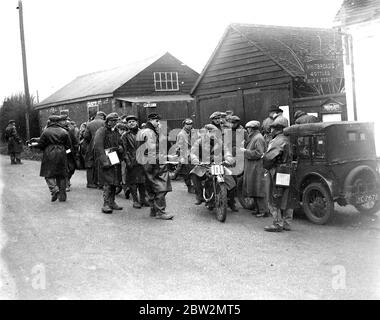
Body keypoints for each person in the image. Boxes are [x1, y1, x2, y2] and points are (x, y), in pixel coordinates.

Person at [190, 124, 237, 211]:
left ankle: (231, 201)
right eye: (212, 132)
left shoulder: (220, 142)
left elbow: (226, 152)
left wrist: (228, 159)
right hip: (204, 165)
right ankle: (199, 196)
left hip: (219, 164)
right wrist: (195, 160)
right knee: (194, 174)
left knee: (233, 179)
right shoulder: (199, 142)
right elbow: (193, 153)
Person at [137, 113, 173, 220]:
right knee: (161, 187)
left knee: (152, 187)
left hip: (147, 163)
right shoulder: (149, 132)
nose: (159, 124)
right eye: (157, 121)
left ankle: (153, 210)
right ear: (152, 120)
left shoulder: (144, 131)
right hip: (154, 162)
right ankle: (160, 212)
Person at [262, 116, 294, 232]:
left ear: (278, 129)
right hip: (289, 170)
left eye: (273, 128)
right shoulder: (289, 139)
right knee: (287, 196)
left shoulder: (277, 141)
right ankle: (287, 223)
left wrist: (265, 163)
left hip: (279, 170)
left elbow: (269, 157)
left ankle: (277, 223)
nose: (271, 131)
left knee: (275, 195)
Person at [32, 115, 71, 202]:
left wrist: (37, 147)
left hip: (49, 153)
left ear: (50, 121)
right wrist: (64, 151)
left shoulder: (46, 132)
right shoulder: (64, 131)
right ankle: (62, 197)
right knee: (62, 175)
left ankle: (54, 189)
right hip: (61, 153)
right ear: (58, 121)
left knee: (48, 174)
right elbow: (68, 145)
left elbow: (41, 144)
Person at [94, 112, 124, 214]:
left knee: (115, 180)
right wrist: (104, 161)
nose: (114, 123)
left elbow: (119, 142)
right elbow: (98, 147)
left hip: (114, 157)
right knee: (107, 182)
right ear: (108, 121)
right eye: (112, 121)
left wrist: (121, 148)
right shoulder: (101, 131)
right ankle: (106, 204)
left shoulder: (115, 131)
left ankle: (112, 202)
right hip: (106, 157)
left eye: (116, 121)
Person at [240, 120, 268, 217]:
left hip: (257, 167)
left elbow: (259, 153)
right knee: (254, 188)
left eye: (248, 129)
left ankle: (263, 211)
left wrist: (245, 151)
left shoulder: (258, 138)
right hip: (253, 167)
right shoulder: (254, 137)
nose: (247, 130)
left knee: (259, 189)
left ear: (251, 129)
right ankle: (258, 209)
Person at [121, 115, 149, 208]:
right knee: (133, 183)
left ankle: (143, 199)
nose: (131, 123)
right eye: (129, 122)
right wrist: (128, 161)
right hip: (132, 161)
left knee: (143, 181)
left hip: (143, 161)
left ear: (137, 122)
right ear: (127, 124)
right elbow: (124, 150)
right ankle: (135, 201)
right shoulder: (125, 136)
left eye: (133, 121)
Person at [171, 118, 195, 193]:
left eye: (190, 124)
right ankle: (189, 187)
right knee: (186, 172)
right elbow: (178, 146)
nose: (189, 126)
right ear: (184, 125)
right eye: (187, 124)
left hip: (194, 154)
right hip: (185, 154)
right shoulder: (181, 134)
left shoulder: (193, 132)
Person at [83, 111, 106, 188]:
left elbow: (86, 136)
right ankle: (101, 183)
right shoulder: (105, 122)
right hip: (103, 145)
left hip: (92, 145)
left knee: (90, 164)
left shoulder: (89, 124)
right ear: (103, 116)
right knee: (102, 163)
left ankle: (90, 183)